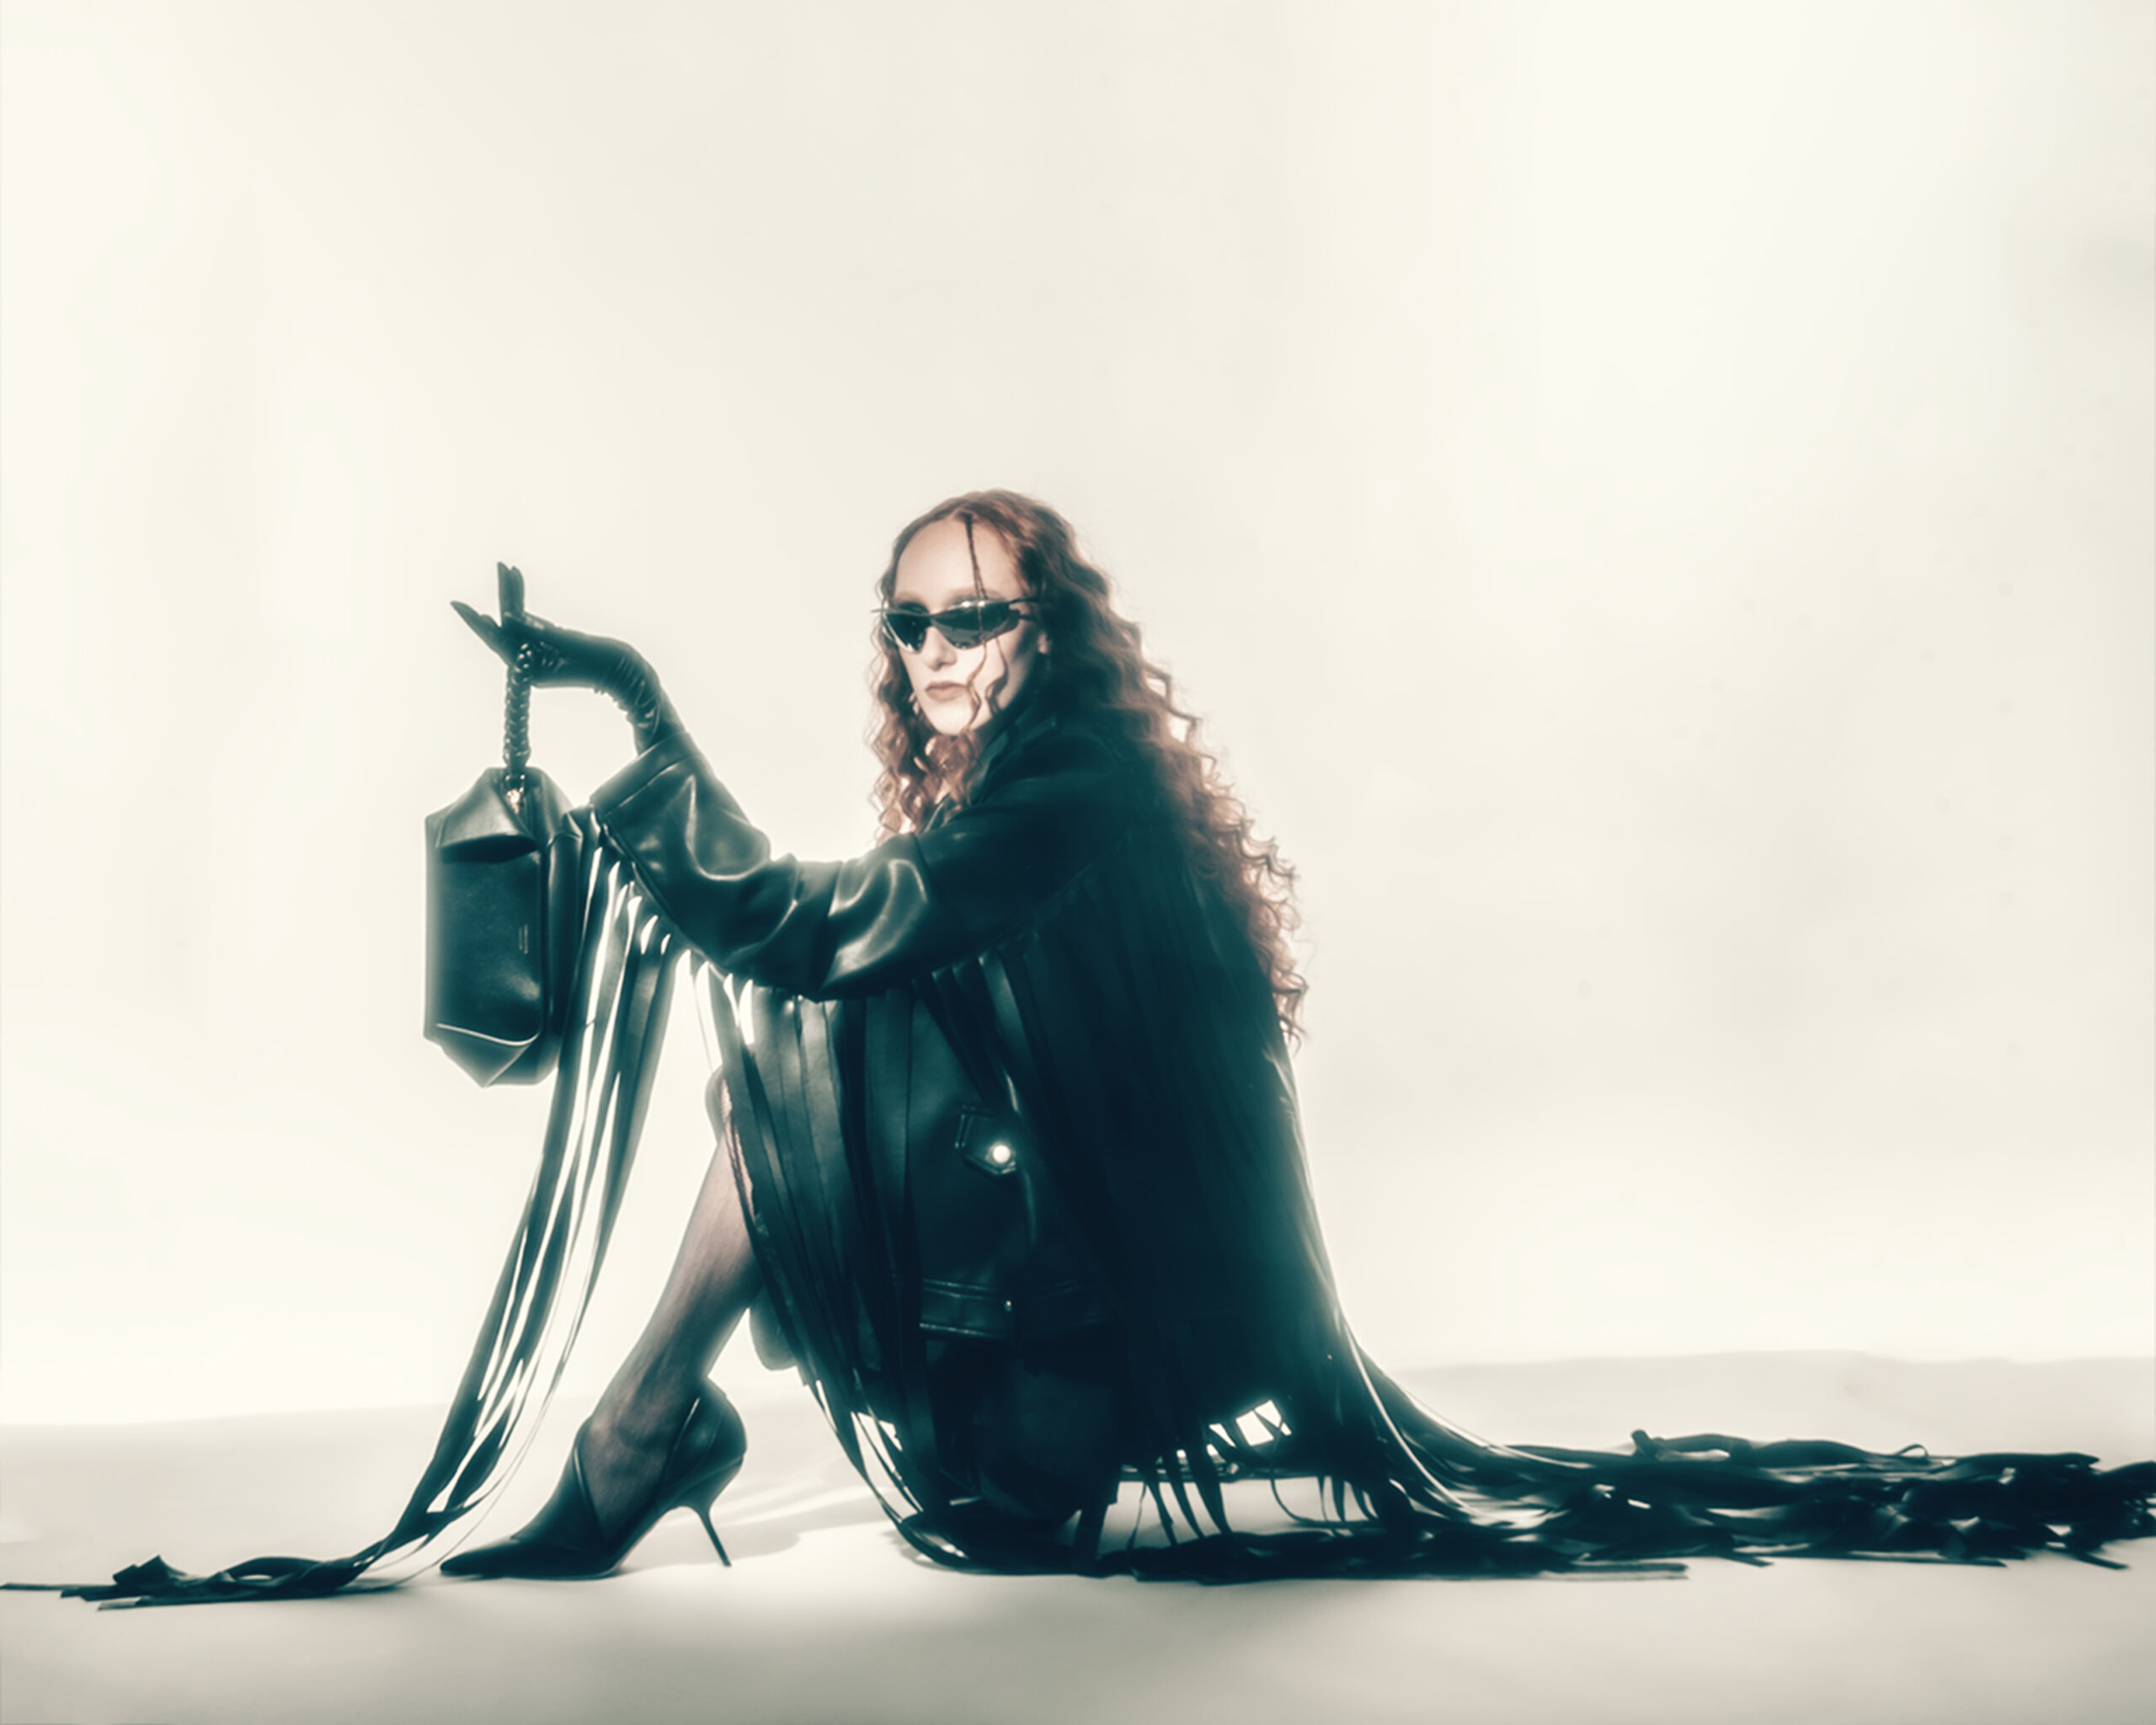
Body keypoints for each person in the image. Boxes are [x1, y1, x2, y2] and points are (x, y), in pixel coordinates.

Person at [427, 490, 2153, 1582]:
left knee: (803, 1060)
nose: (937, 650)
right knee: (798, 1070)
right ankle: (645, 1432)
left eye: (975, 616)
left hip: (1085, 1364)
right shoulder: (1012, 794)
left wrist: (640, 719)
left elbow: (829, 930)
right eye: (911, 619)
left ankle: (642, 1436)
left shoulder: (1072, 788)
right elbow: (872, 967)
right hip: (1028, 1327)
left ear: (1049, 632)